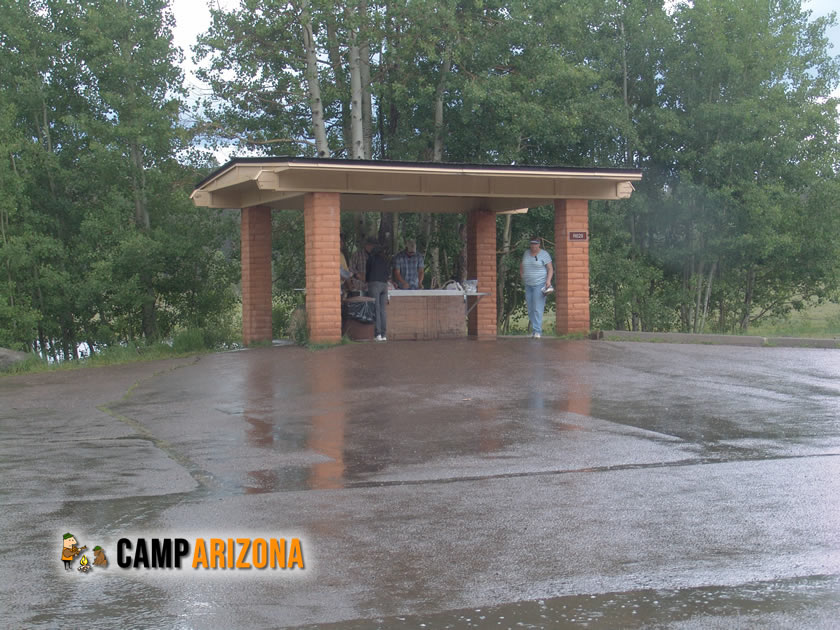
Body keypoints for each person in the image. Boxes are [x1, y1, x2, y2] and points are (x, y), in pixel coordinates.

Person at [520, 237, 553, 338]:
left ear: (539, 244)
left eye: (535, 244)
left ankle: (537, 331)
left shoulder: (544, 254)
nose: (533, 246)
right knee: (530, 308)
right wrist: (522, 276)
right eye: (532, 244)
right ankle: (535, 330)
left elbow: (550, 269)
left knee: (537, 308)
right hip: (528, 284)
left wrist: (548, 281)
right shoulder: (526, 253)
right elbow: (522, 265)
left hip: (540, 283)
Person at [365, 240, 390, 341]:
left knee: (376, 309)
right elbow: (388, 274)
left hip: (374, 284)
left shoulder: (371, 258)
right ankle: (384, 335)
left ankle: (377, 334)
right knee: (383, 310)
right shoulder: (385, 260)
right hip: (384, 285)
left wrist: (366, 281)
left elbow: (368, 272)